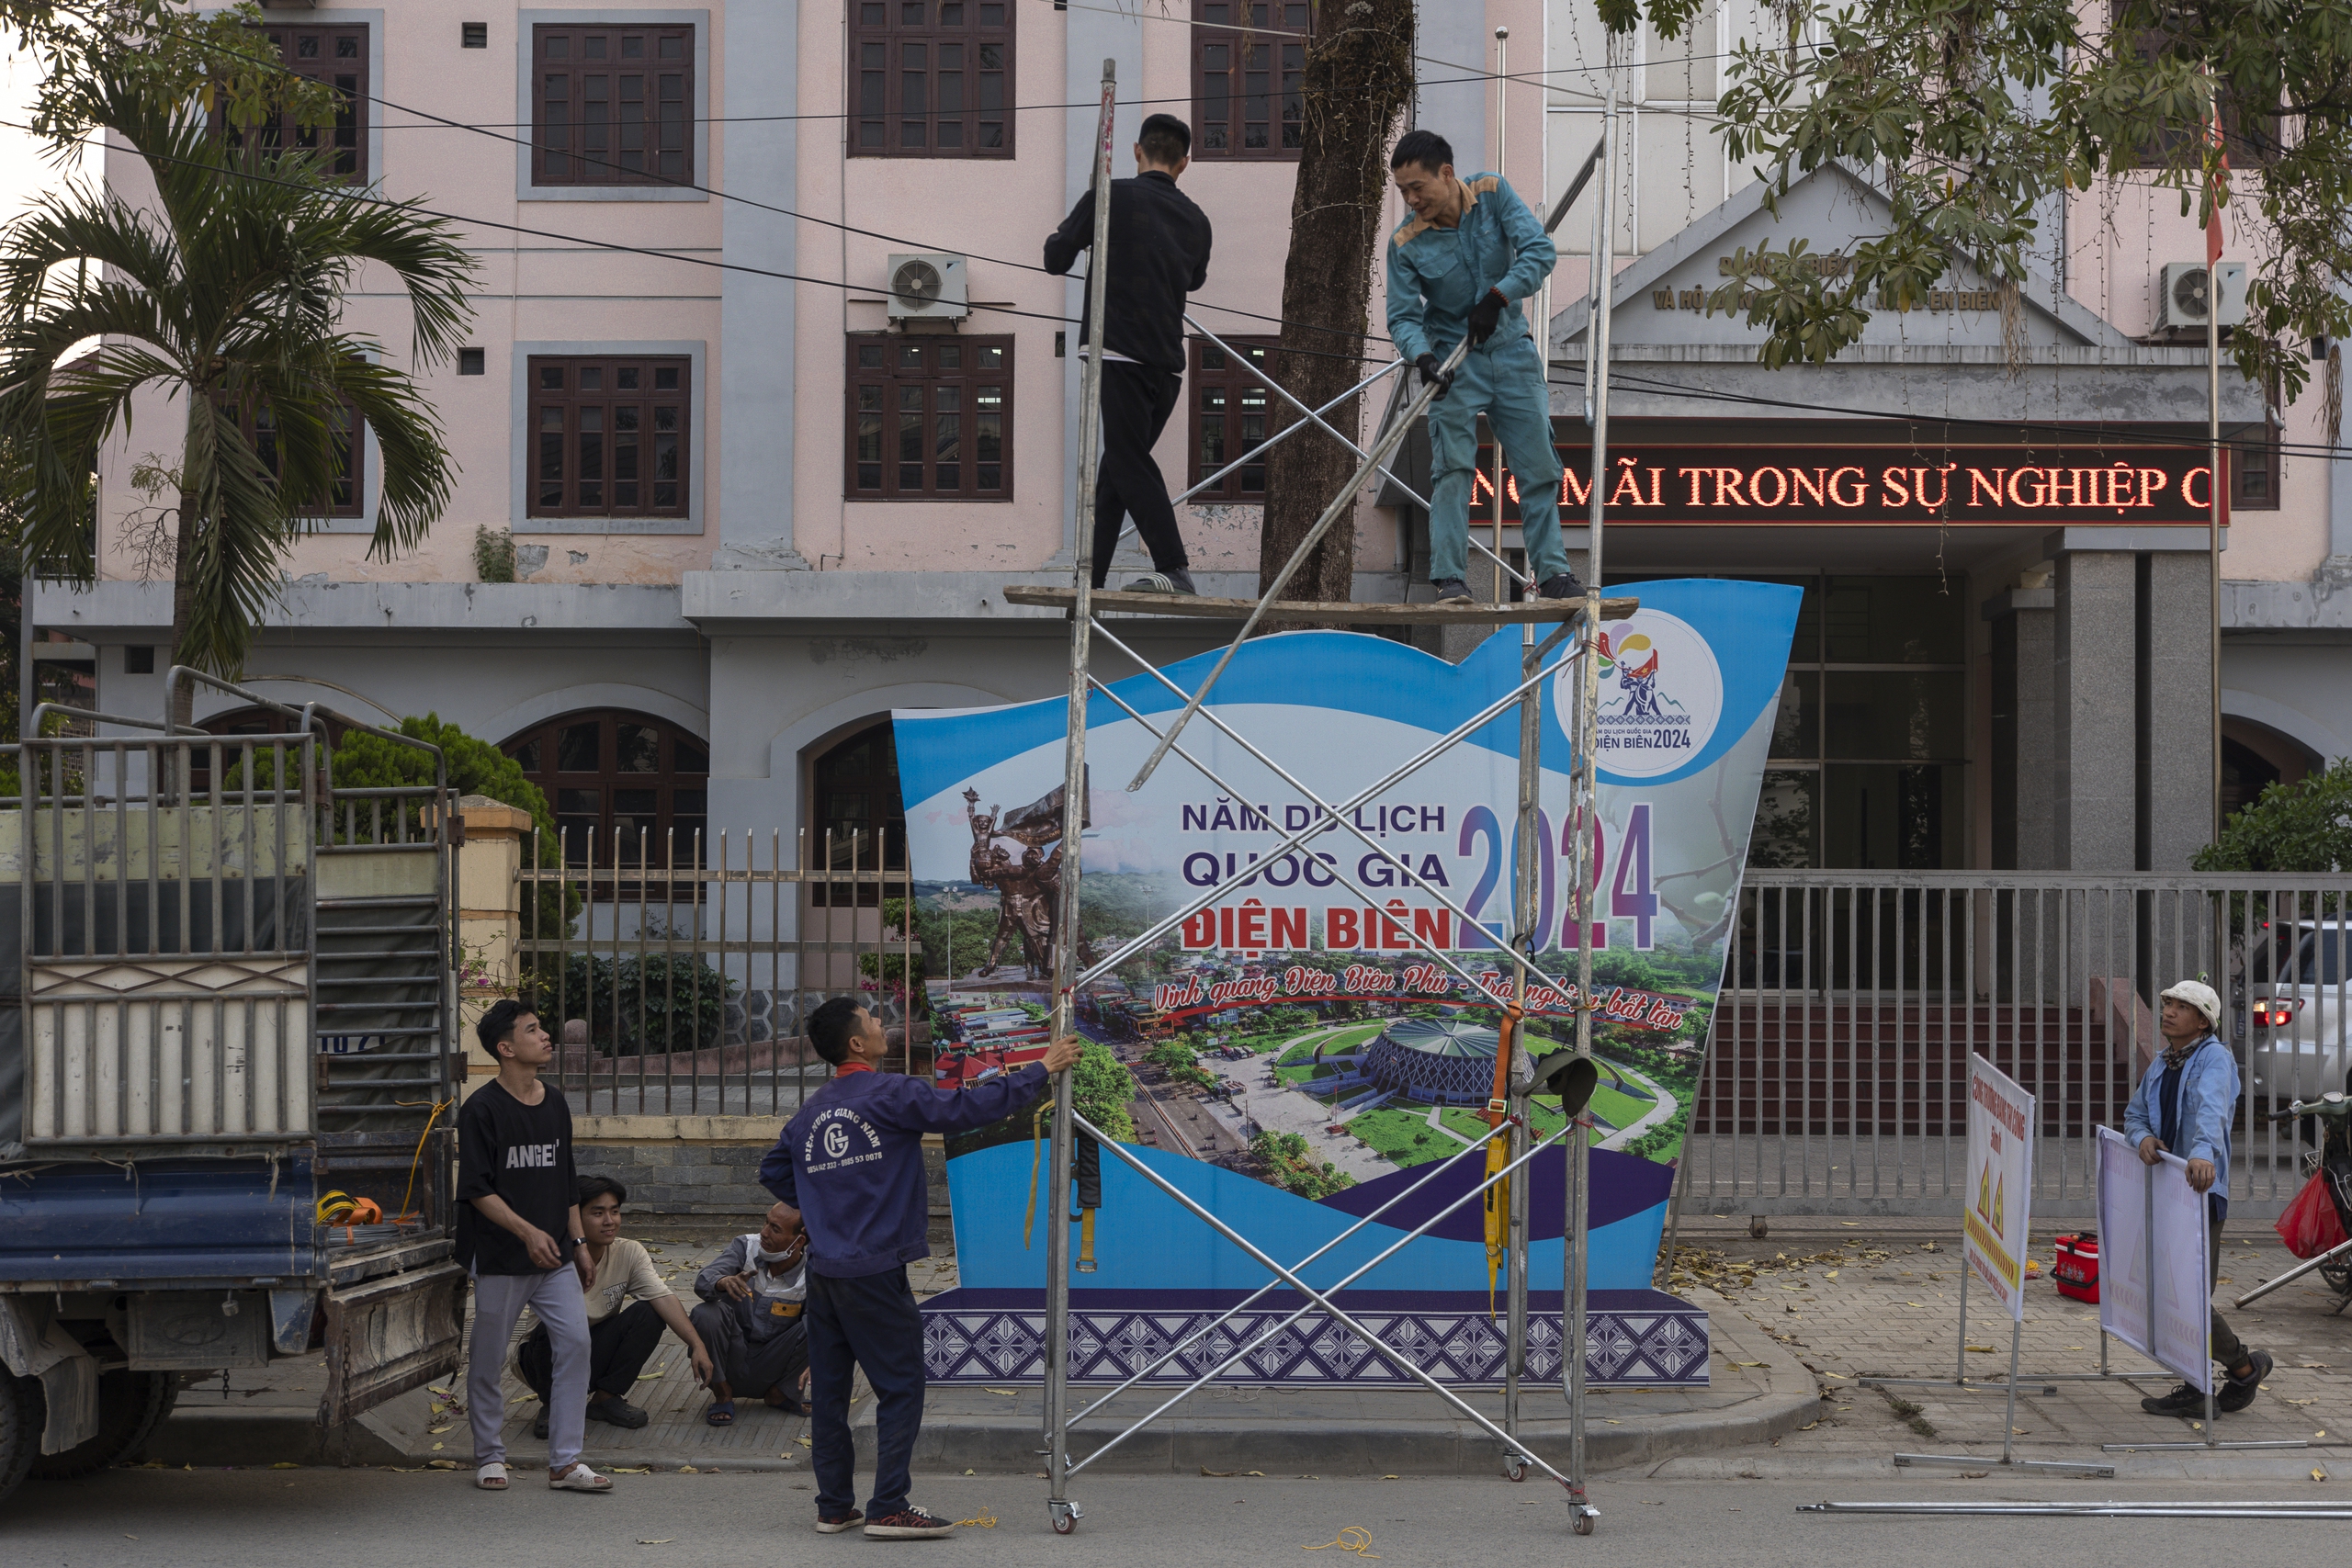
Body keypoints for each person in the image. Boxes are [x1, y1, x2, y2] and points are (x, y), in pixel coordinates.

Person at [761, 997, 1082, 1540]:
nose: (882, 1023)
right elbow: (963, 1110)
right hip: (874, 1270)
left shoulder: (812, 1111)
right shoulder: (892, 1093)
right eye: (873, 1019)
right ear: (857, 1043)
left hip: (826, 1271)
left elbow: (774, 1169)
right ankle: (888, 1506)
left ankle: (834, 1506)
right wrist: (1039, 1071)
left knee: (832, 1394)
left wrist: (826, 1205)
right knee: (902, 1386)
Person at [1384, 129, 1581, 608]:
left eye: (1417, 188)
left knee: (1538, 468)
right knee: (1451, 469)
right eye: (1403, 191)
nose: (1411, 200)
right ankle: (1450, 579)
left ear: (1446, 174)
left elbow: (1540, 251)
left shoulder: (1493, 193)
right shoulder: (1405, 243)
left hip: (1513, 351)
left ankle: (1552, 574)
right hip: (1452, 361)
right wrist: (1424, 357)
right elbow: (1403, 317)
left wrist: (1497, 297)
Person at [1044, 111, 1213, 597]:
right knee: (1115, 472)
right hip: (1167, 367)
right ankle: (1090, 581)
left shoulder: (1110, 196)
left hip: (1118, 353)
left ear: (1138, 151)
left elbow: (1056, 259)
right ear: (1184, 163)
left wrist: (1075, 236)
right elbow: (1194, 279)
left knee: (1128, 461)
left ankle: (1174, 567)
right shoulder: (1197, 220)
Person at [456, 998, 613, 1494]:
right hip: (502, 1259)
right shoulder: (480, 1109)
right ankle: (488, 1455)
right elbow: (478, 1190)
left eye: (542, 1028)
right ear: (506, 1048)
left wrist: (579, 1243)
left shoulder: (555, 1101)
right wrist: (526, 1232)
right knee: (488, 1356)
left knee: (576, 1343)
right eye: (532, 1030)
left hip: (556, 1260)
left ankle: (565, 1462)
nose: (545, 1036)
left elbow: (567, 1181)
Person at [2126, 979, 2275, 1416]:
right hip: (2165, 1190)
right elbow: (2135, 1113)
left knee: (2188, 1294)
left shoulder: (2216, 1059)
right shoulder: (2162, 1063)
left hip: (2199, 1191)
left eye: (2181, 1006)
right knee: (2169, 1290)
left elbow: (2212, 1111)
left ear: (2204, 1020)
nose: (2168, 1010)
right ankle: (2245, 1369)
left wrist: (2203, 1155)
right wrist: (2143, 1137)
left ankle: (2205, 1382)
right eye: (2167, 1002)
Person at [516, 1175, 715, 1438]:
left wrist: (697, 1345)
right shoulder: (553, 1255)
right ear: (574, 1218)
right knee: (551, 1328)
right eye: (597, 1213)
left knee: (648, 1313)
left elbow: (664, 1298)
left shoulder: (629, 1252)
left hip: (592, 1349)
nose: (609, 1221)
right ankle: (553, 1404)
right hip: (542, 1357)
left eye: (615, 1211)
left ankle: (605, 1399)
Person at [689, 1201, 814, 1427]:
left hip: (772, 1365)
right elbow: (703, 1279)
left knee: (821, 1322)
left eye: (775, 1229)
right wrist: (722, 1282)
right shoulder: (745, 1246)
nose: (764, 1232)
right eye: (766, 1222)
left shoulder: (812, 1271)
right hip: (729, 1359)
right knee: (705, 1313)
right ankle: (722, 1393)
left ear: (799, 1242)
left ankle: (781, 1394)